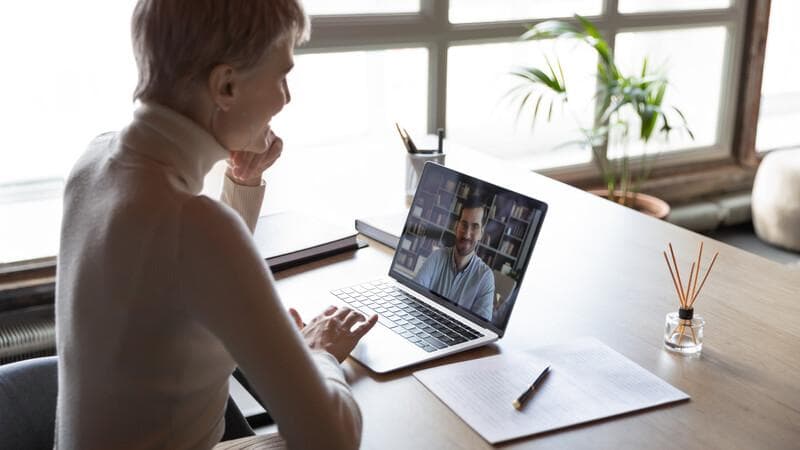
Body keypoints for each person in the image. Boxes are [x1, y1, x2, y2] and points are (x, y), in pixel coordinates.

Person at [54, 1, 377, 449]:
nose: (287, 97)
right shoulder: (195, 227)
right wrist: (320, 353)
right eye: (282, 76)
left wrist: (242, 182)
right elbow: (333, 438)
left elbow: (189, 278)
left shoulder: (93, 163)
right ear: (225, 85)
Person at [414, 196, 496, 321]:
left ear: (481, 234)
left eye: (474, 227)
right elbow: (413, 296)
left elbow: (481, 328)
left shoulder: (485, 277)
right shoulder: (437, 257)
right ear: (456, 227)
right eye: (464, 224)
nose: (467, 234)